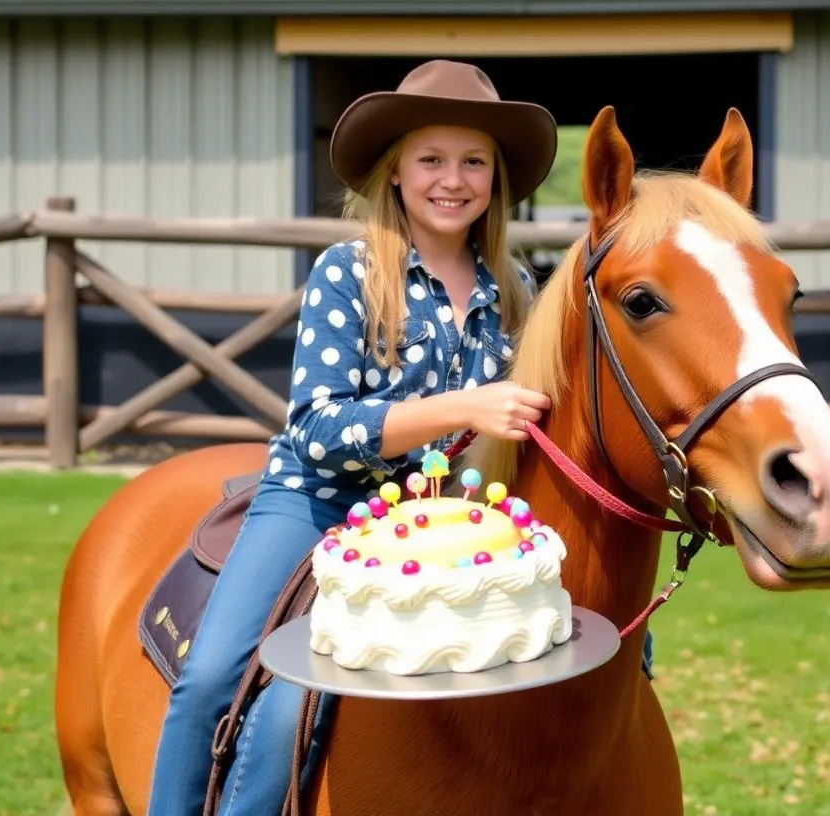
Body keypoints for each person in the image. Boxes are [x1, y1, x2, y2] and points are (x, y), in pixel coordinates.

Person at [146, 59, 562, 815]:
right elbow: (317, 428)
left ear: (496, 179)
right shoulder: (349, 272)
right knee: (213, 678)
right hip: (318, 501)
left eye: (474, 162)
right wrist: (468, 406)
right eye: (430, 159)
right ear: (395, 172)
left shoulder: (516, 289)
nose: (453, 179)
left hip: (434, 521)